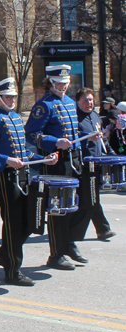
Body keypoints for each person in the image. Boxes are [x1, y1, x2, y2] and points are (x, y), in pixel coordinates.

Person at [0, 78, 58, 286]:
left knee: (29, 220)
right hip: (6, 177)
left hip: (23, 176)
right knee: (12, 223)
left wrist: (43, 159)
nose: (12, 100)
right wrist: (6, 161)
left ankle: (5, 253)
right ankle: (13, 270)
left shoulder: (14, 117)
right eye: (8, 96)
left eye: (13, 96)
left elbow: (24, 153)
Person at [25, 65, 99, 270]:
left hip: (75, 159)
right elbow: (31, 134)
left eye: (65, 83)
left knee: (81, 203)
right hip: (56, 162)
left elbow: (74, 132)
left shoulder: (69, 102)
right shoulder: (44, 105)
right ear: (51, 82)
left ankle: (70, 242)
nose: (63, 87)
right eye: (58, 83)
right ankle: (56, 254)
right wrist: (55, 141)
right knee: (58, 208)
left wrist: (88, 137)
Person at [76, 88, 117, 241]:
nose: (89, 103)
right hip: (84, 165)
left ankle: (74, 230)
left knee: (89, 199)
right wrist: (87, 137)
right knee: (91, 198)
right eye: (85, 100)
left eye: (91, 100)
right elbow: (71, 138)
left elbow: (102, 138)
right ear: (78, 102)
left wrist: (111, 154)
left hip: (98, 163)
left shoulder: (94, 116)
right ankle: (102, 229)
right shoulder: (75, 118)